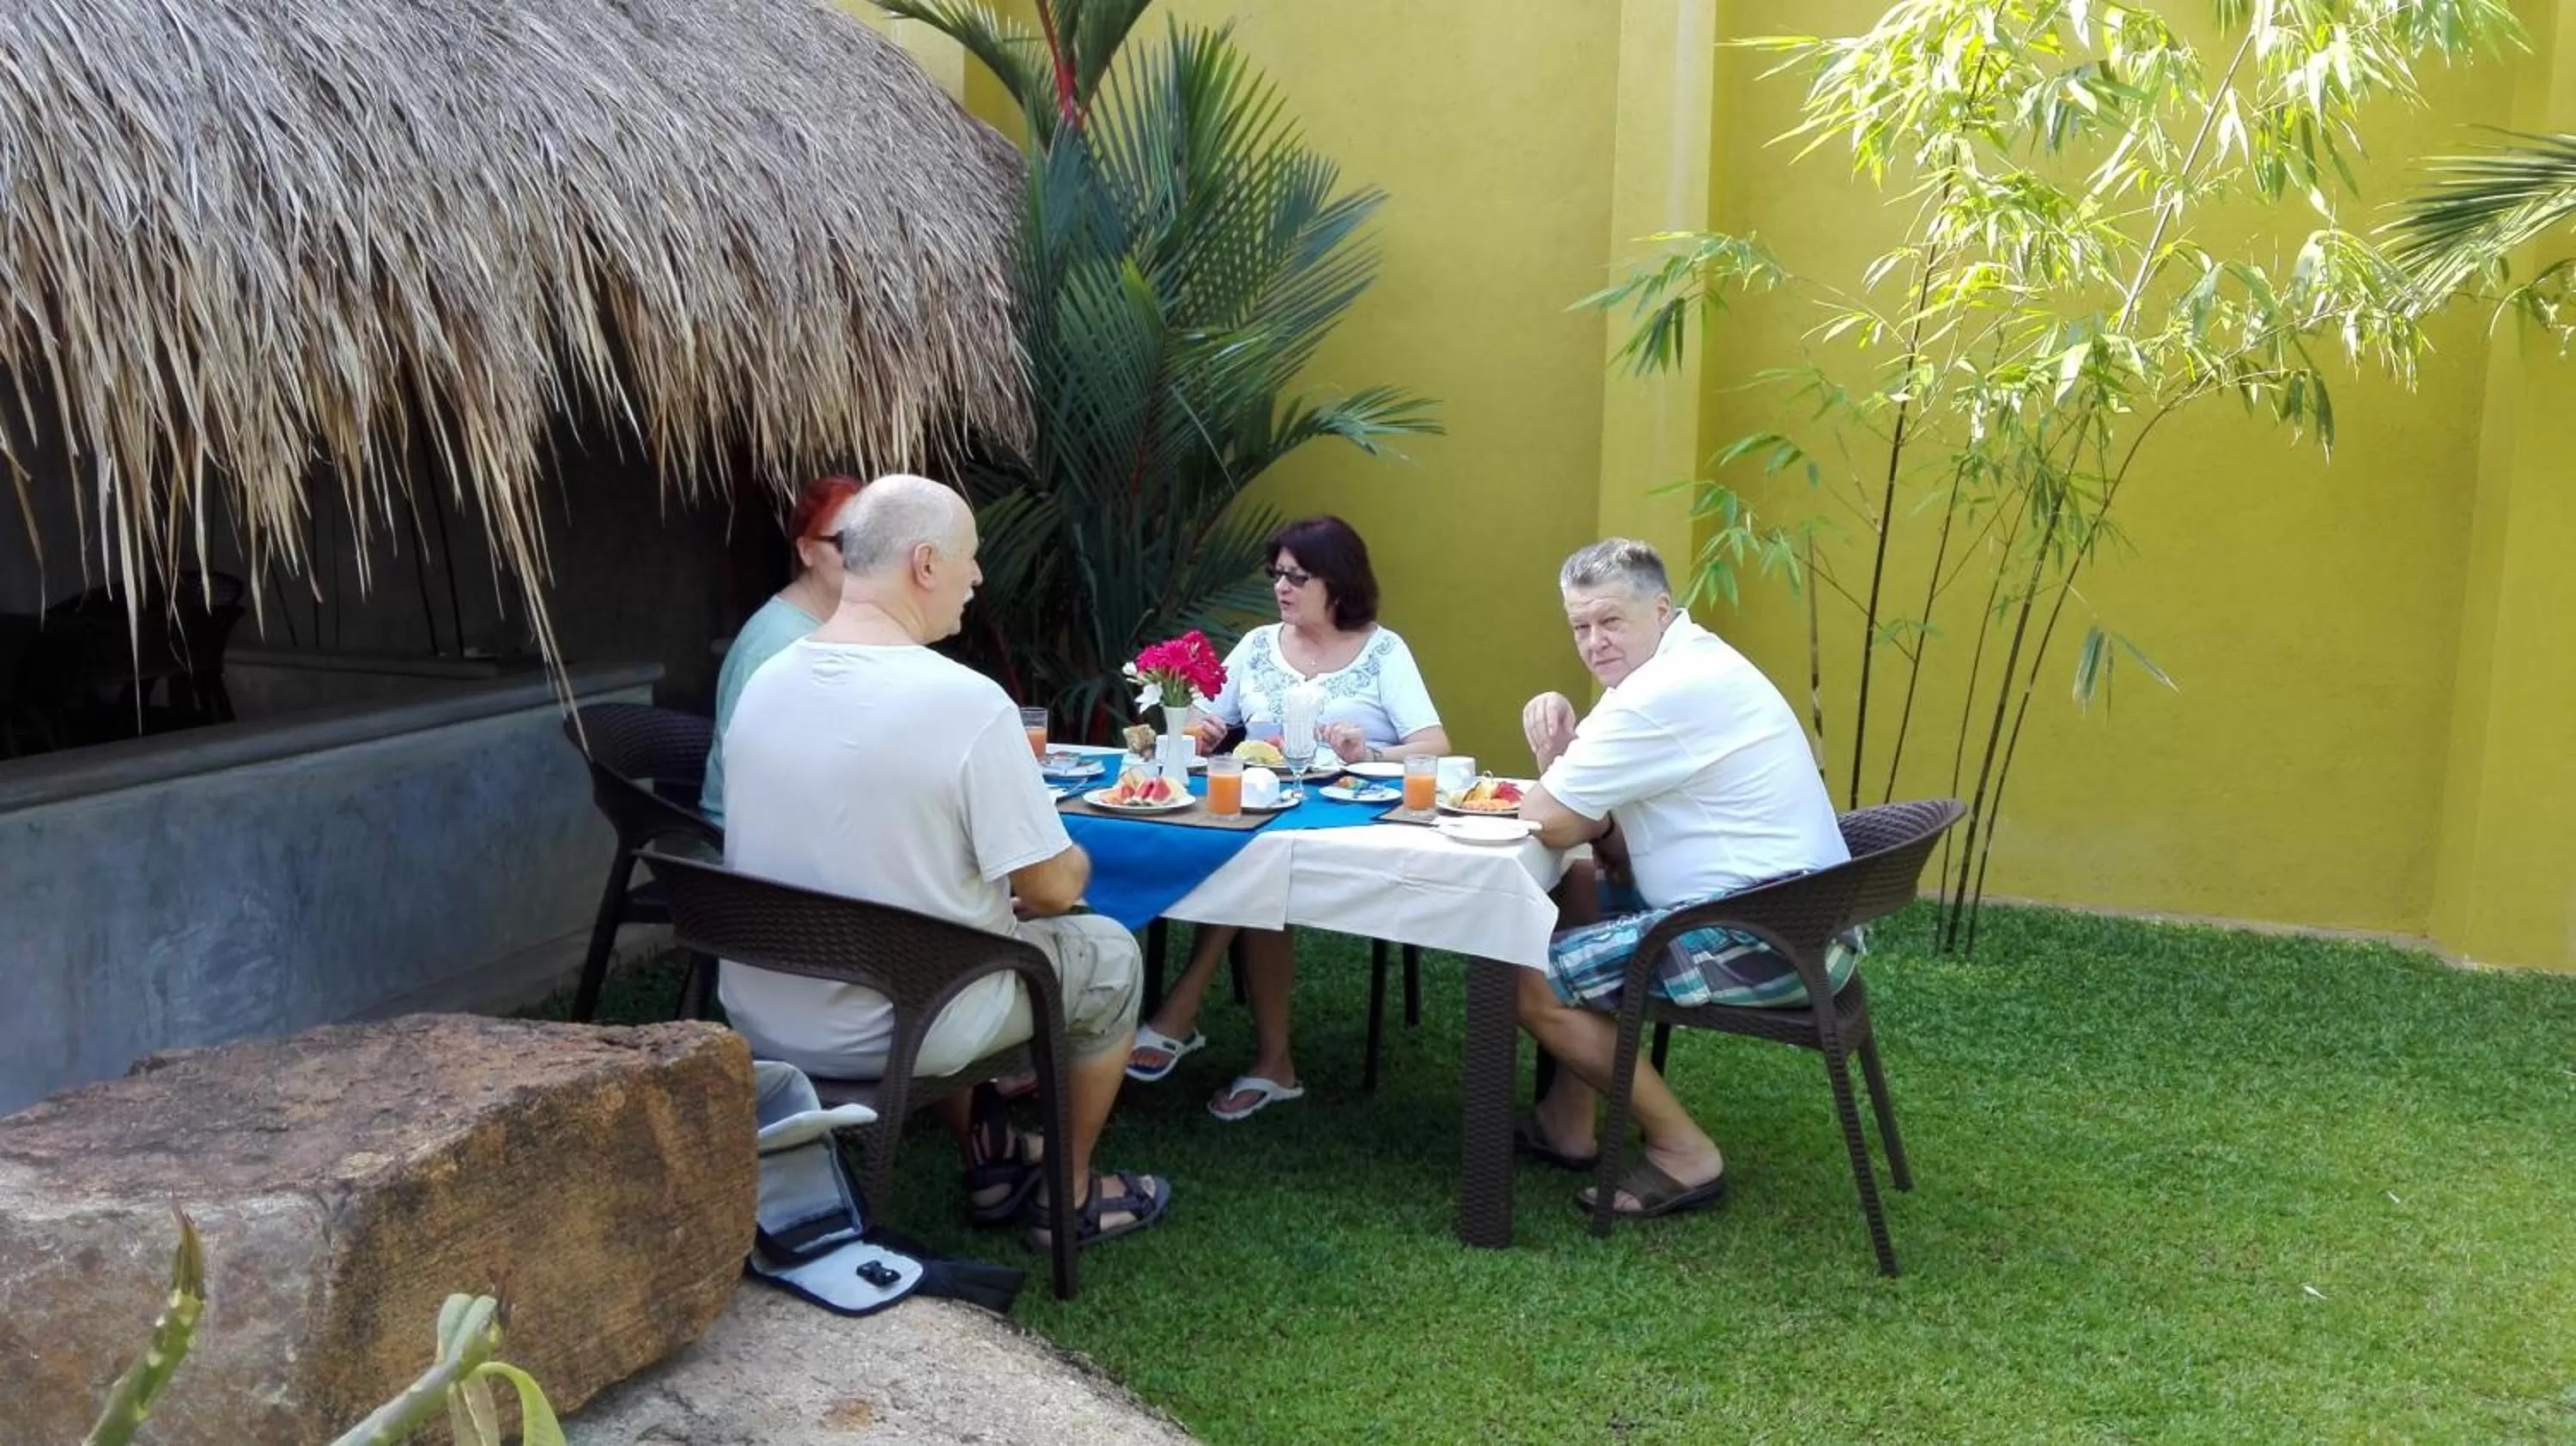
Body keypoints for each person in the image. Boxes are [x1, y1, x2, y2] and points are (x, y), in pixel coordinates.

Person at [719, 473, 1170, 1250]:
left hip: (763, 1008)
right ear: (925, 564)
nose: (977, 579)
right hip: (911, 1018)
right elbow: (1054, 889)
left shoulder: (765, 679)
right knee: (1108, 955)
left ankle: (992, 1162)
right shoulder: (964, 703)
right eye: (971, 559)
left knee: (973, 923)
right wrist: (1068, 872)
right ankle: (1067, 1197)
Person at [1513, 538, 1850, 1219]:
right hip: (1808, 920)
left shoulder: (1659, 693)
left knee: (1524, 975)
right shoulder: (1688, 663)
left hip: (1766, 940)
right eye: (1580, 627)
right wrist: (1566, 767)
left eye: (1611, 622)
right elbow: (1597, 831)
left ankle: (1682, 1151)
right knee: (1571, 896)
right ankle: (1567, 1122)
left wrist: (1555, 770)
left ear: (1660, 609)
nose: (1594, 642)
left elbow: (1550, 820)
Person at [1125, 515, 1451, 1121]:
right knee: (1250, 852)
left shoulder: (1382, 651)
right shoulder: (1256, 645)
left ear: (1340, 582)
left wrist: (1370, 751)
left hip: (1347, 810)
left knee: (1256, 857)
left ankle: (1182, 1011)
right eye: (1276, 573)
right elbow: (1206, 727)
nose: (1281, 587)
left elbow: (1434, 744)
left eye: (1297, 576)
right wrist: (1203, 728)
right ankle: (1269, 1060)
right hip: (1264, 805)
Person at [701, 475, 864, 825]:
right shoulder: (775, 644)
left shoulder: (840, 622)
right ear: (806, 551)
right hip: (751, 837)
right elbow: (754, 771)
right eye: (846, 541)